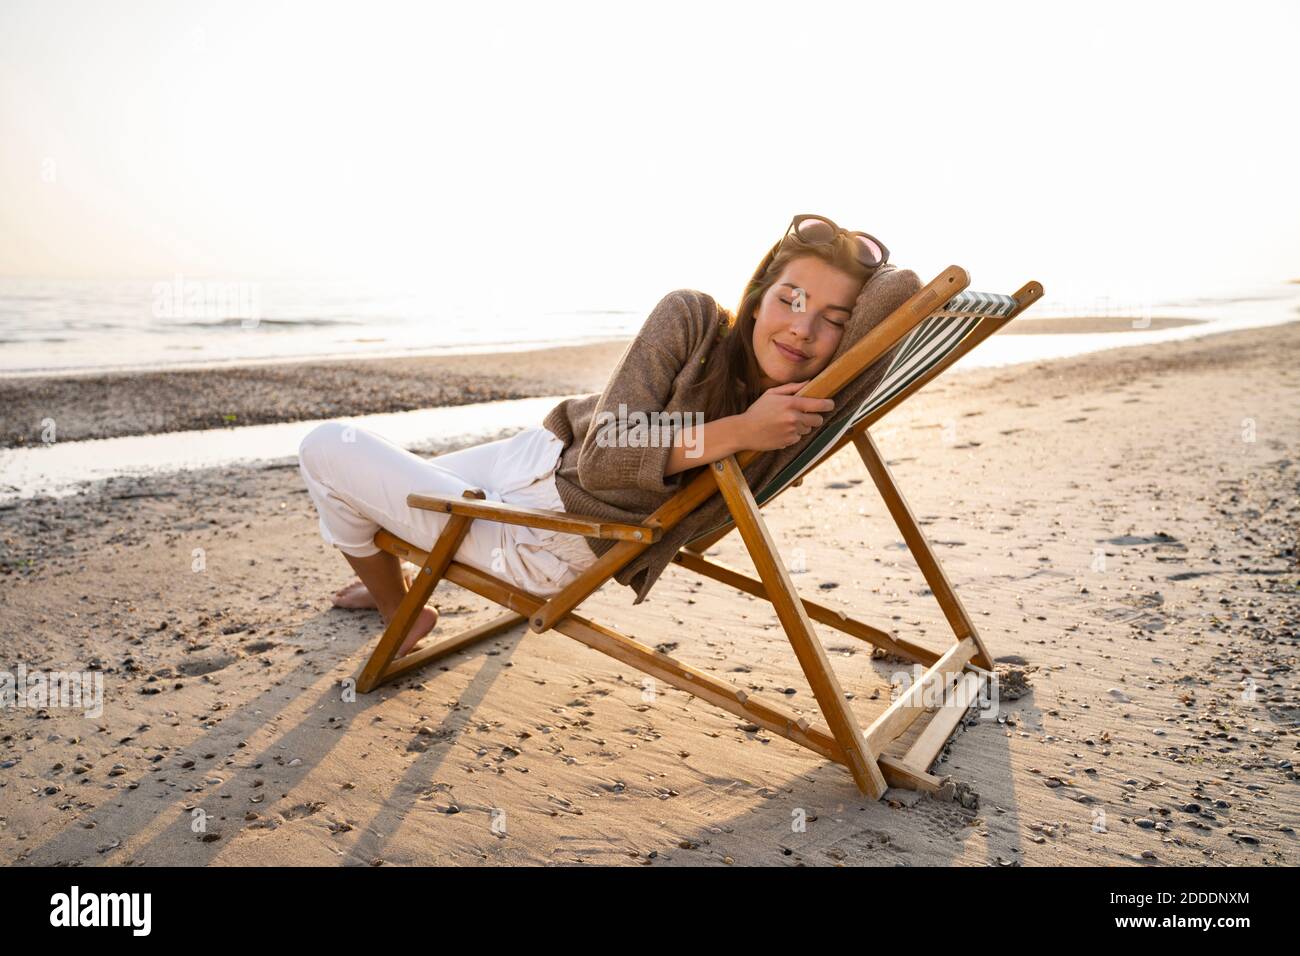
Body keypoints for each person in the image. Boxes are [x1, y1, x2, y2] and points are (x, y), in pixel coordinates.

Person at [297, 213, 891, 657]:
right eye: (791, 299)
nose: (802, 329)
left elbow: (905, 289)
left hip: (552, 538)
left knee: (327, 451)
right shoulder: (695, 318)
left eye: (834, 321)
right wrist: (738, 429)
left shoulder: (804, 407)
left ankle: (396, 604)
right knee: (359, 484)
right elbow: (605, 445)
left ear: (852, 334)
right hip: (538, 455)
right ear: (758, 299)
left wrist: (744, 429)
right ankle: (393, 589)